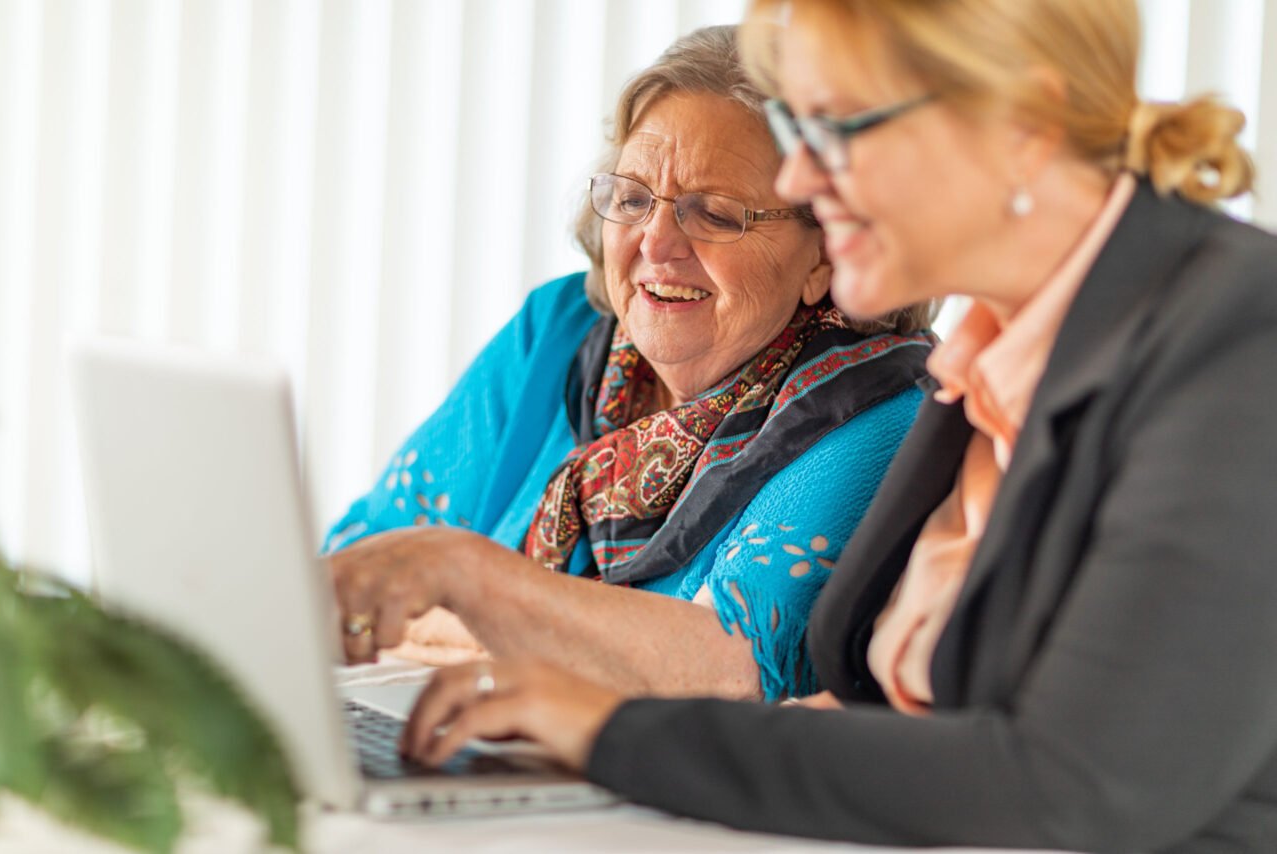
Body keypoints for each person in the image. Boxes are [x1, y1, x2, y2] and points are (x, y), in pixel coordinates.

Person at [399, 1, 1277, 850]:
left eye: (839, 128)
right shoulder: (986, 364)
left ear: (1025, 124)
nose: (799, 182)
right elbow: (871, 717)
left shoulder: (1240, 341)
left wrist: (611, 734)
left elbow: (1084, 783)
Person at [326, 25, 934, 702]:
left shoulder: (881, 415)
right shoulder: (555, 334)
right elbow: (357, 571)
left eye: (715, 213)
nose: (657, 241)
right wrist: (568, 641)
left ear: (825, 251)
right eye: (635, 198)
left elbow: (734, 669)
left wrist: (466, 586)